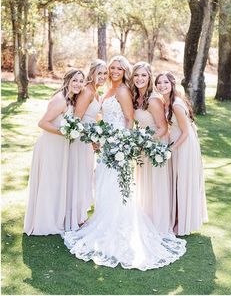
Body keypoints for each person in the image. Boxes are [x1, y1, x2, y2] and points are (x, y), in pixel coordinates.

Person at [62, 56, 186, 271]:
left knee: (115, 187)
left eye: (120, 68)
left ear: (124, 71)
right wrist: (99, 135)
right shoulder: (110, 89)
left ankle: (117, 228)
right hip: (107, 143)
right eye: (113, 68)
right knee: (103, 183)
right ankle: (104, 221)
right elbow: (108, 116)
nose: (115, 71)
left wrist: (124, 146)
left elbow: (129, 119)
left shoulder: (122, 91)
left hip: (118, 147)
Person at [24, 69, 85, 235]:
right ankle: (44, 222)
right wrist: (65, 132)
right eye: (75, 80)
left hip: (59, 146)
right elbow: (42, 123)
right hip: (50, 146)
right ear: (67, 81)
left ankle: (55, 218)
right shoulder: (60, 100)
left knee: (56, 183)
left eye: (81, 81)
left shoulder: (71, 99)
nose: (78, 84)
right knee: (49, 183)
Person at [155, 71, 208, 236]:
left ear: (172, 84)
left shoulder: (176, 104)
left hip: (184, 145)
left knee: (183, 182)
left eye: (165, 82)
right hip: (178, 143)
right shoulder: (166, 102)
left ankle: (182, 224)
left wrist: (170, 148)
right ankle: (178, 218)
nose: (162, 85)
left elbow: (185, 132)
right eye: (159, 83)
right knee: (179, 182)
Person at [65, 59, 108, 231]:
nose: (103, 76)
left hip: (88, 141)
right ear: (92, 73)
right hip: (81, 141)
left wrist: (97, 136)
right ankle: (75, 217)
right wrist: (91, 138)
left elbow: (92, 118)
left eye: (105, 73)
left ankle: (79, 214)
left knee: (85, 176)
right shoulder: (87, 91)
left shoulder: (96, 91)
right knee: (80, 177)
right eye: (100, 73)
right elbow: (77, 119)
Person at [131, 62, 171, 234]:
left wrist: (145, 140)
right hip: (143, 146)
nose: (140, 79)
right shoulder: (135, 98)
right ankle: (146, 218)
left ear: (149, 78)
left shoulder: (153, 100)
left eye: (144, 75)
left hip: (155, 146)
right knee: (144, 185)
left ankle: (158, 223)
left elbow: (163, 128)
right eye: (137, 75)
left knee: (155, 184)